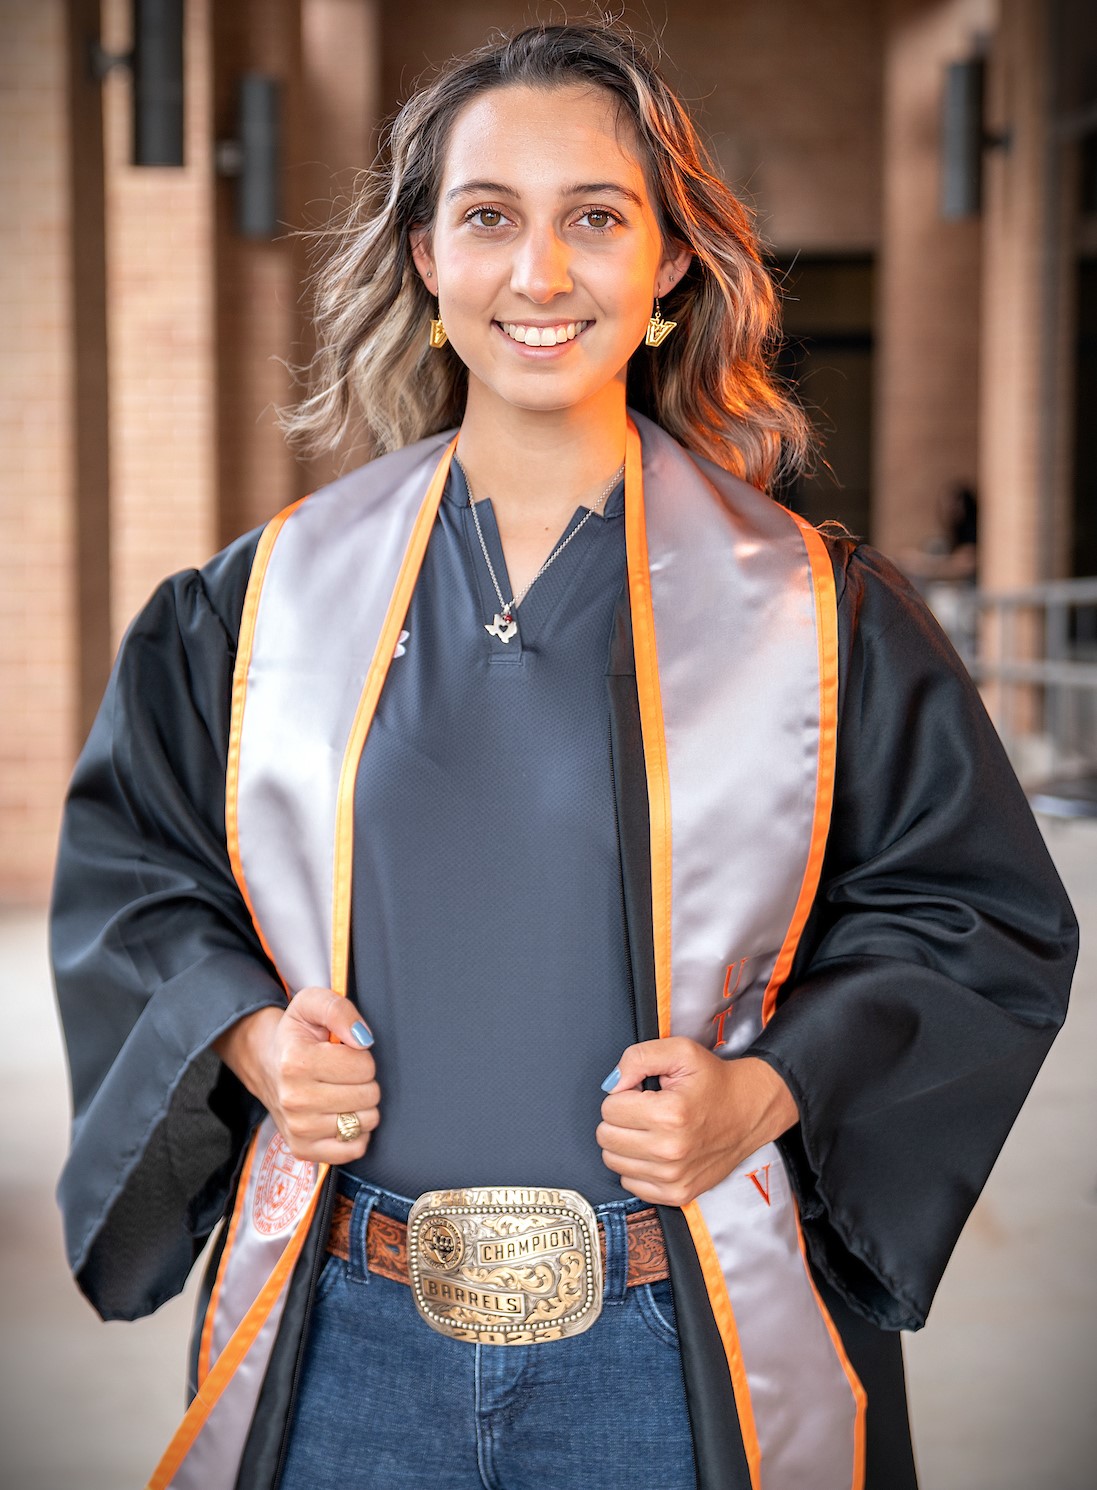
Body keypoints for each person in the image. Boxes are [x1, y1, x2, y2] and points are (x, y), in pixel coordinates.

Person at [51, 20, 1077, 1490]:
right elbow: (137, 877)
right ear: (424, 257)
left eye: (593, 218)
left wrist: (769, 1088)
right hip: (348, 1338)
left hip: (673, 1350)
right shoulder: (259, 605)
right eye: (488, 217)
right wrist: (251, 1037)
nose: (539, 274)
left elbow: (973, 914)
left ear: (666, 262)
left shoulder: (810, 612)